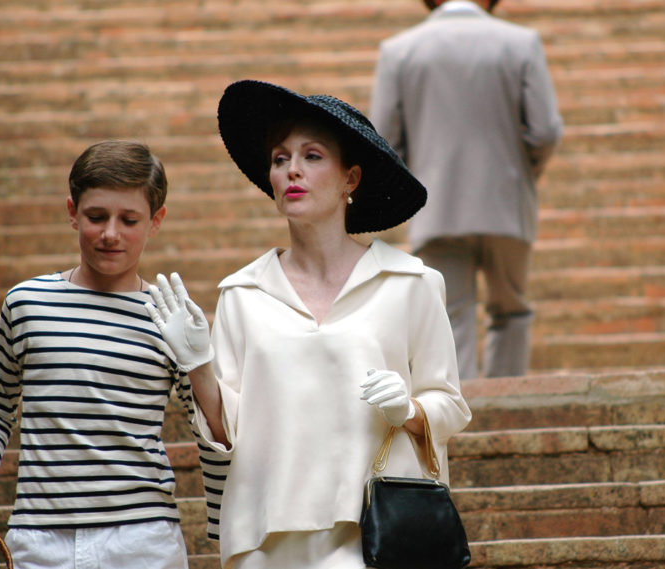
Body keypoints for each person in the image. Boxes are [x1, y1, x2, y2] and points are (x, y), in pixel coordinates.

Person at [145, 79, 472, 569]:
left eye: (312, 156)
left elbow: (450, 404)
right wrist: (198, 365)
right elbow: (226, 433)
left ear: (350, 179)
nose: (292, 170)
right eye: (280, 159)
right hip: (267, 536)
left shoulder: (411, 283)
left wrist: (409, 409)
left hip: (375, 532)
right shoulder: (243, 293)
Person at [0, 140, 212, 569]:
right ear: (72, 212)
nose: (111, 233)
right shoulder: (26, 303)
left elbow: (213, 430)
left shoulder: (168, 316)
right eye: (96, 217)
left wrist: (200, 363)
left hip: (143, 540)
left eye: (129, 219)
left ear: (155, 221)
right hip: (40, 540)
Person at [369, 0, 564, 379]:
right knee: (511, 311)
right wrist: (525, 172)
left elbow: (384, 142)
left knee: (448, 315)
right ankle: (507, 401)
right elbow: (545, 131)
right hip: (507, 202)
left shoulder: (400, 50)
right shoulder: (521, 43)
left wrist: (412, 181)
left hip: (434, 205)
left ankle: (459, 406)